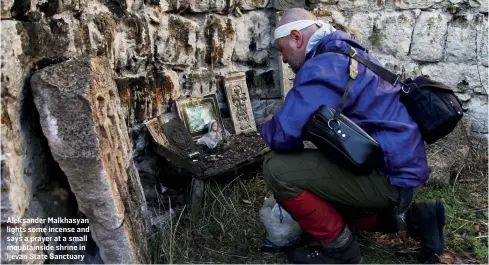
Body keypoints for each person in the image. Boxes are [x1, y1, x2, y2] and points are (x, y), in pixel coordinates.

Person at [260, 8, 446, 264]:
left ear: (296, 38)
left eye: (282, 50)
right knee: (318, 182)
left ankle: (340, 251)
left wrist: (269, 124)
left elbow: (283, 135)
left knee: (277, 168)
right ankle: (418, 218)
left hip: (388, 178)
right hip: (399, 170)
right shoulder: (342, 48)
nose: (283, 59)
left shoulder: (323, 66)